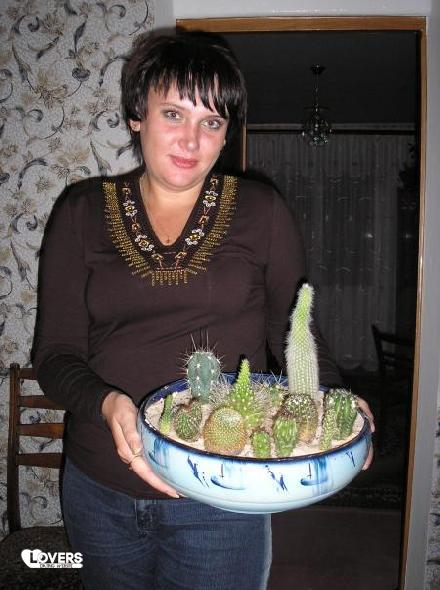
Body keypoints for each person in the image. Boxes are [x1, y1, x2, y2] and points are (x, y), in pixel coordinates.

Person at [32, 31, 374, 590]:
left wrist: (334, 399)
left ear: (226, 135)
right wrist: (108, 403)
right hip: (100, 488)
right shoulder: (80, 212)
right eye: (173, 113)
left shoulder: (262, 211)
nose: (191, 139)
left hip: (223, 493)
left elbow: (296, 334)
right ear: (137, 115)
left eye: (211, 122)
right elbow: (55, 353)